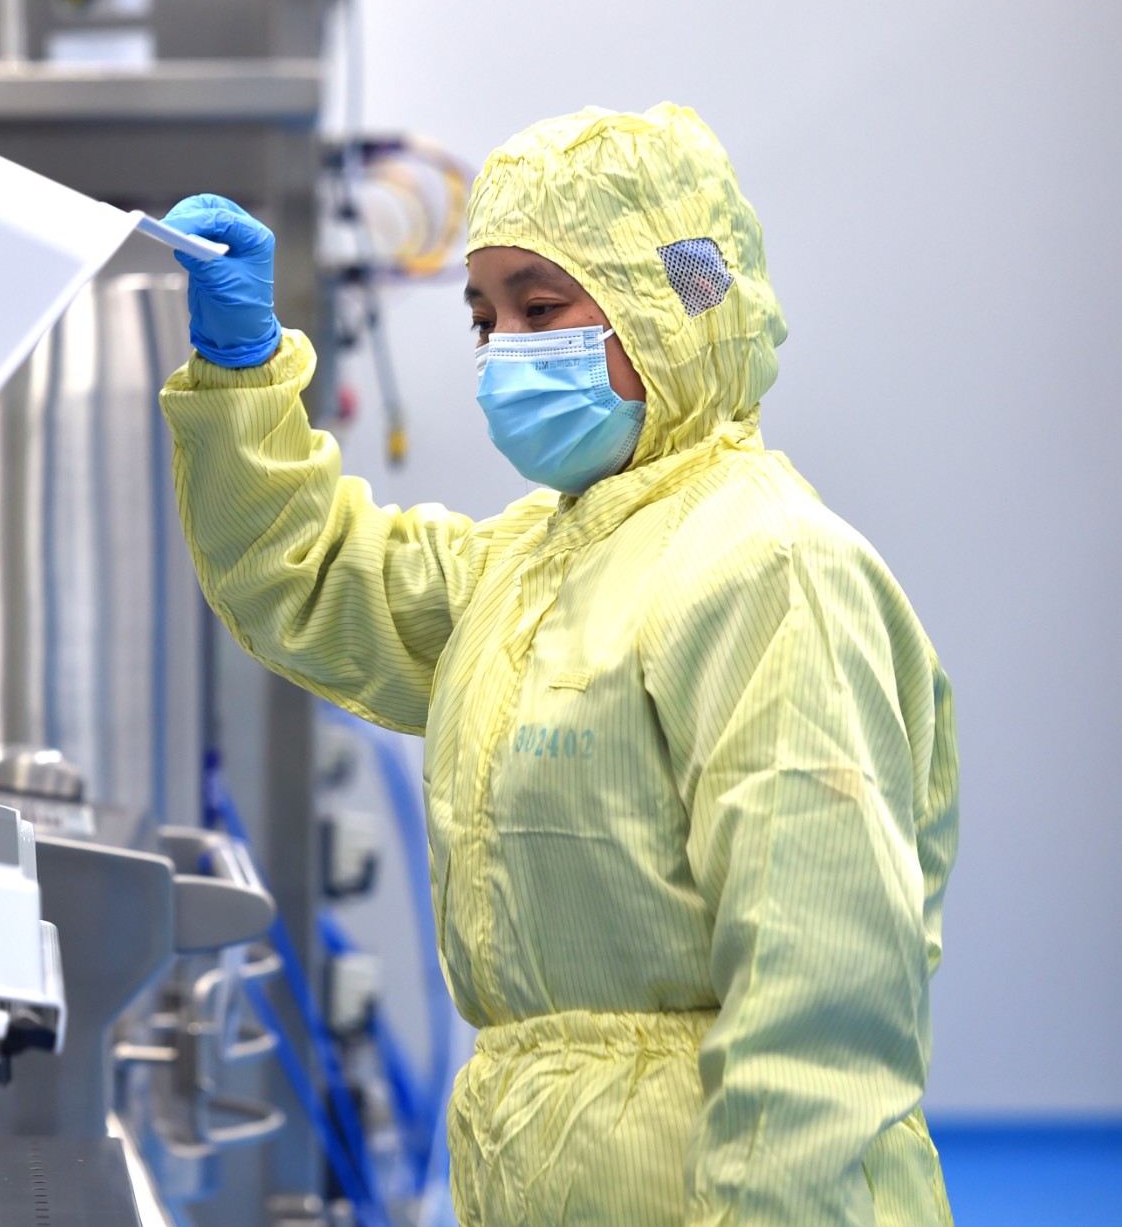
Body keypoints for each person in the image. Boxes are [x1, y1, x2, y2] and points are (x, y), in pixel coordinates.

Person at [158, 103, 959, 1227]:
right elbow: (316, 574)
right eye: (485, 318)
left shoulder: (767, 566)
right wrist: (243, 373)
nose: (506, 349)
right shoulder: (532, 562)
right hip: (540, 1165)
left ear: (674, 307)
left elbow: (821, 983)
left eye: (542, 308)